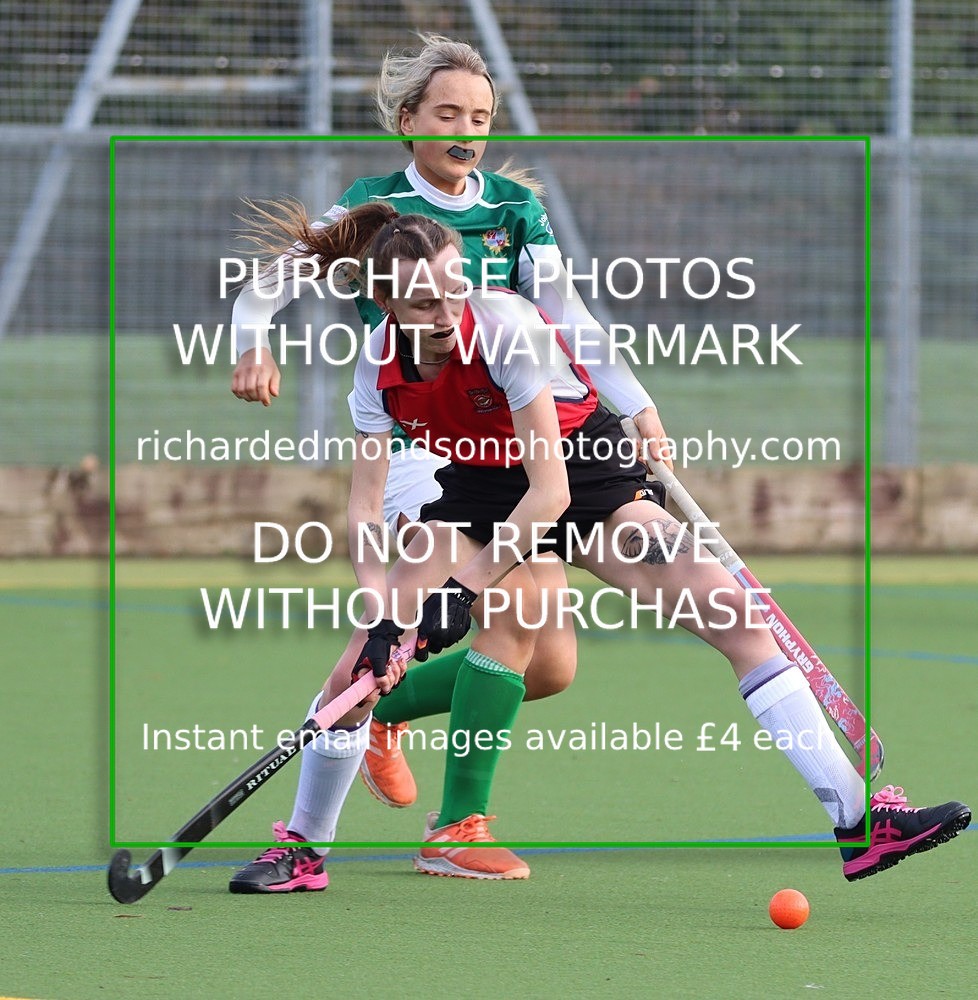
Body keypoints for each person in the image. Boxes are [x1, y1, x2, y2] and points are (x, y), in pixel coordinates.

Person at [244, 204, 970, 884]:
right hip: (477, 485)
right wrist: (380, 615)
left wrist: (463, 589)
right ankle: (305, 848)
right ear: (387, 306)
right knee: (353, 674)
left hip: (580, 472)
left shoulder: (505, 329)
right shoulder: (376, 367)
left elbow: (552, 495)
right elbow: (366, 503)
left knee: (737, 621)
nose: (446, 313)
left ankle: (859, 822)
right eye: (424, 304)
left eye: (454, 289)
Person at [227, 35, 666, 891]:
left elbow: (568, 317)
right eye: (449, 115)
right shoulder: (371, 202)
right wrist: (252, 345)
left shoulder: (512, 207)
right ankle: (325, 838)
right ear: (409, 121)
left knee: (550, 668)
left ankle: (380, 712)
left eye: (480, 118)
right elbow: (271, 283)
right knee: (410, 626)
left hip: (515, 452)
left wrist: (636, 403)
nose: (468, 131)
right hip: (419, 444)